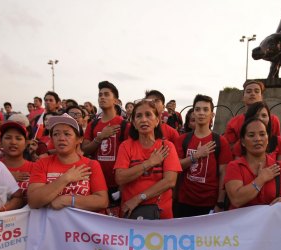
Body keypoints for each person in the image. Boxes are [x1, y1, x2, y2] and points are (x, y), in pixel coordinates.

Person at [114, 99, 182, 219]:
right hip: (131, 212)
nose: (143, 119)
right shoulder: (126, 146)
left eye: (148, 115)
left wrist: (138, 198)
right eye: (138, 116)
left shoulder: (167, 146)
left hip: (160, 214)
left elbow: (170, 181)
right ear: (134, 123)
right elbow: (120, 178)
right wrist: (149, 163)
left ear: (157, 121)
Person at [28, 114, 108, 211]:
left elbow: (102, 201)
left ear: (79, 139)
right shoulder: (42, 164)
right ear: (52, 139)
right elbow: (33, 201)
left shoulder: (91, 165)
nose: (61, 138)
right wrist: (66, 178)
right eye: (56, 134)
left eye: (67, 134)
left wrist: (67, 200)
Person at [174, 94, 232, 217]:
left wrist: (220, 202)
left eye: (206, 110)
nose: (201, 113)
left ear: (212, 114)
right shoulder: (182, 140)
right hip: (184, 202)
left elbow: (224, 173)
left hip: (210, 204)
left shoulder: (220, 141)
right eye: (197, 109)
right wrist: (195, 156)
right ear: (193, 113)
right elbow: (176, 167)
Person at [225, 117, 281, 208]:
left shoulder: (280, 167)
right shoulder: (234, 167)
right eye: (251, 135)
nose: (258, 139)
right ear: (243, 142)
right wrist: (261, 179)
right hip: (242, 221)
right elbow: (236, 200)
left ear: (268, 139)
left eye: (262, 134)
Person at [81, 81, 129, 212]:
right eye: (100, 94)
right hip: (97, 182)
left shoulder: (124, 124)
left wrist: (123, 185)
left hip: (117, 184)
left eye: (107, 94)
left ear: (116, 101)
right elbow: (85, 149)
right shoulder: (93, 124)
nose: (102, 97)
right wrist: (100, 137)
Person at [223, 80, 281, 151]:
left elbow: (278, 144)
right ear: (243, 97)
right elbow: (228, 148)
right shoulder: (233, 123)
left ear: (261, 97)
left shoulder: (273, 120)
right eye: (248, 91)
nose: (253, 94)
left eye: (256, 91)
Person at [0, 121, 33, 201]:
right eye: (8, 138)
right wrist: (7, 177)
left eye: (18, 138)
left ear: (26, 143)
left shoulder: (36, 168)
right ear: (0, 143)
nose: (13, 142)